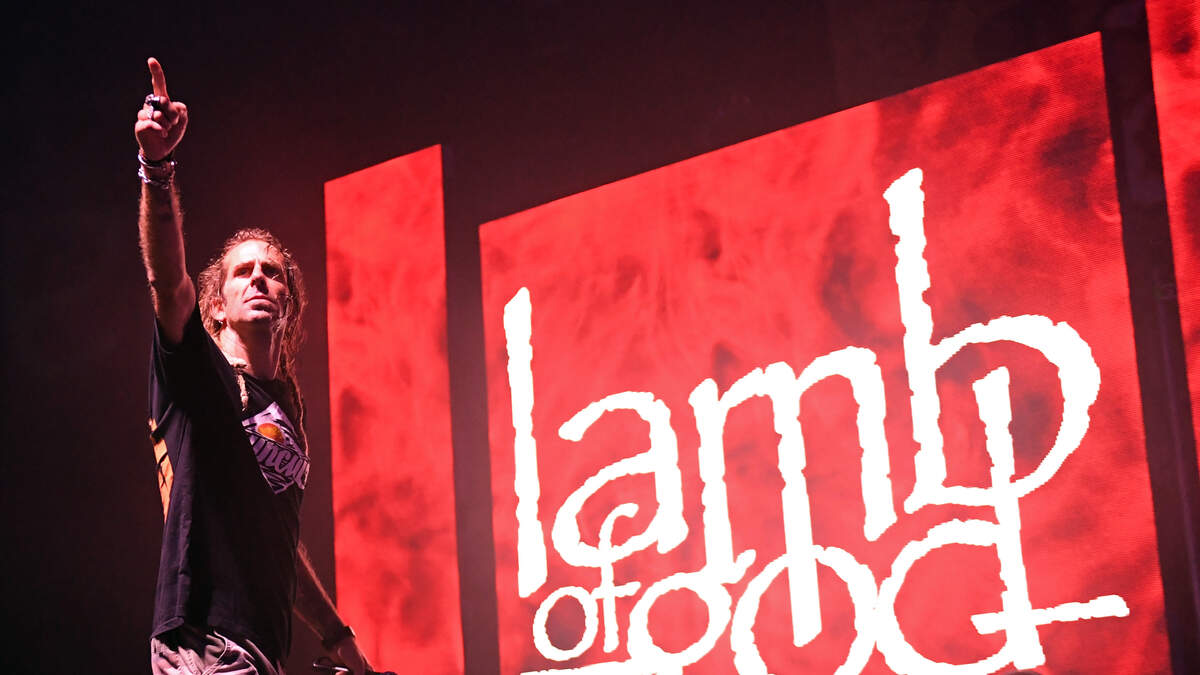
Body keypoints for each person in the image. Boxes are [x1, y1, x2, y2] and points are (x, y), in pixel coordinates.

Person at [136, 56, 372, 675]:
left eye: (273, 272)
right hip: (205, 641)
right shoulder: (199, 375)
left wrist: (336, 634)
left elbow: (279, 542)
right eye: (244, 272)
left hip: (260, 652)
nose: (260, 278)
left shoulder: (286, 409)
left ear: (288, 304)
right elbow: (167, 282)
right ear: (217, 305)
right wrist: (156, 168)